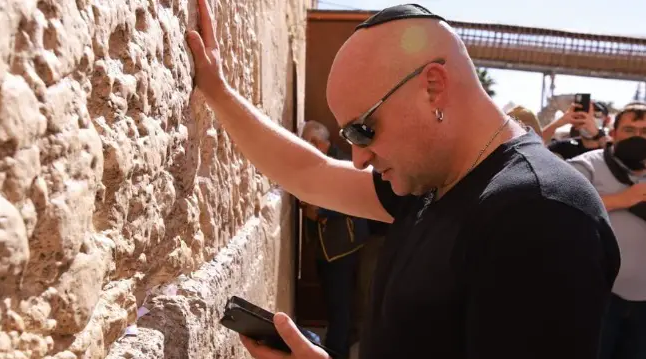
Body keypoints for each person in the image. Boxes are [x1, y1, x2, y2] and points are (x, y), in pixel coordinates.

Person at [186, 2, 620, 359]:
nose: (358, 159)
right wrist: (219, 93)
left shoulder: (541, 216)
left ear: (432, 86)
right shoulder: (433, 178)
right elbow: (310, 174)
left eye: (363, 129)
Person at [567, 102, 646, 359]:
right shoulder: (586, 166)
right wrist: (623, 199)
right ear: (613, 133)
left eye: (645, 131)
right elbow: (562, 206)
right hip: (598, 299)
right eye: (630, 129)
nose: (638, 137)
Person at [300, 120, 369, 358]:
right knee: (332, 303)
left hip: (341, 248)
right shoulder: (319, 163)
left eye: (306, 142)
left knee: (339, 306)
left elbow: (354, 201)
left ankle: (336, 352)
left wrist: (320, 212)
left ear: (319, 143)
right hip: (324, 248)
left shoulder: (342, 164)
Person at [543, 101, 612, 159]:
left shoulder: (612, 146)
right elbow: (534, 145)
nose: (589, 120)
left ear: (607, 120)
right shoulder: (565, 147)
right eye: (584, 115)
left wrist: (596, 134)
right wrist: (559, 123)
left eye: (596, 115)